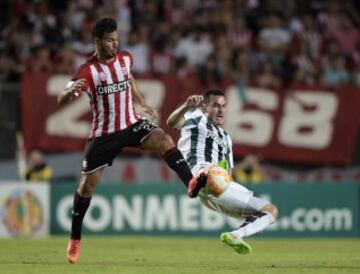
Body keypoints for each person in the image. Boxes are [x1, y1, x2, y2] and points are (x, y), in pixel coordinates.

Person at [58, 18, 206, 264]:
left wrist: (141, 101)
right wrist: (68, 92)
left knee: (165, 139)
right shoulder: (87, 70)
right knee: (86, 188)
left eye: (117, 39)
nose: (115, 45)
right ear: (97, 41)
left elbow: (128, 78)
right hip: (104, 134)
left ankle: (190, 182)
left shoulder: (126, 58)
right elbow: (62, 98)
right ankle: (75, 238)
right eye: (110, 40)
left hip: (131, 123)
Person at [167, 90, 278, 254]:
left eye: (224, 106)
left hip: (220, 186)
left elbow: (228, 172)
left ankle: (235, 235)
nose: (221, 110)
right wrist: (186, 106)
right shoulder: (196, 116)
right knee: (210, 173)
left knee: (270, 210)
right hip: (200, 171)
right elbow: (172, 122)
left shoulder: (226, 138)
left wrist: (225, 177)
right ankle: (202, 179)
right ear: (205, 107)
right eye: (216, 105)